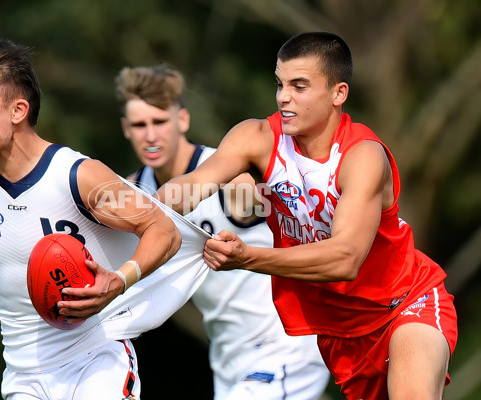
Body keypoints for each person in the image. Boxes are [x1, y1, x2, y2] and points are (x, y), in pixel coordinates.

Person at [0, 36, 211, 400]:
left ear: (18, 111)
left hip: (96, 361)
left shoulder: (78, 177)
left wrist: (118, 281)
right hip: (22, 377)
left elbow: (164, 230)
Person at [155, 32, 458, 400]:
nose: (284, 97)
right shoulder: (256, 137)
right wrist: (133, 209)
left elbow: (345, 258)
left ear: (338, 93)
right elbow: (189, 187)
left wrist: (248, 257)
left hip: (406, 303)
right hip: (340, 331)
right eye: (280, 84)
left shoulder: (362, 157)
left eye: (300, 86)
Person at [115, 65, 329, 400]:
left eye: (160, 122)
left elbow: (302, 218)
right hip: (229, 362)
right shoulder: (133, 191)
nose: (151, 135)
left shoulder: (231, 177)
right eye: (140, 125)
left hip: (285, 347)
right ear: (126, 129)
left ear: (182, 120)